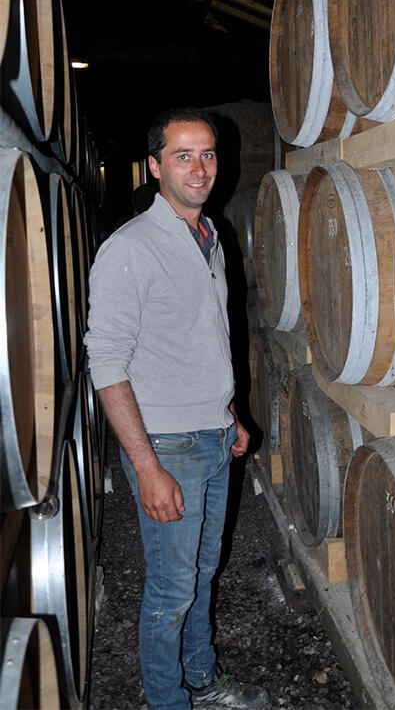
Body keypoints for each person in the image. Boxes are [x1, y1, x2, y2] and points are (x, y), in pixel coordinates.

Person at [85, 107, 268, 710]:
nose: (199, 167)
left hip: (214, 437)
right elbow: (106, 363)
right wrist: (144, 466)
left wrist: (231, 413)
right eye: (183, 156)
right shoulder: (130, 248)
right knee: (170, 590)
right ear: (155, 165)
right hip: (169, 446)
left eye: (208, 154)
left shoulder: (210, 235)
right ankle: (168, 700)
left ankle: (202, 678)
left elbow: (208, 337)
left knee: (203, 574)